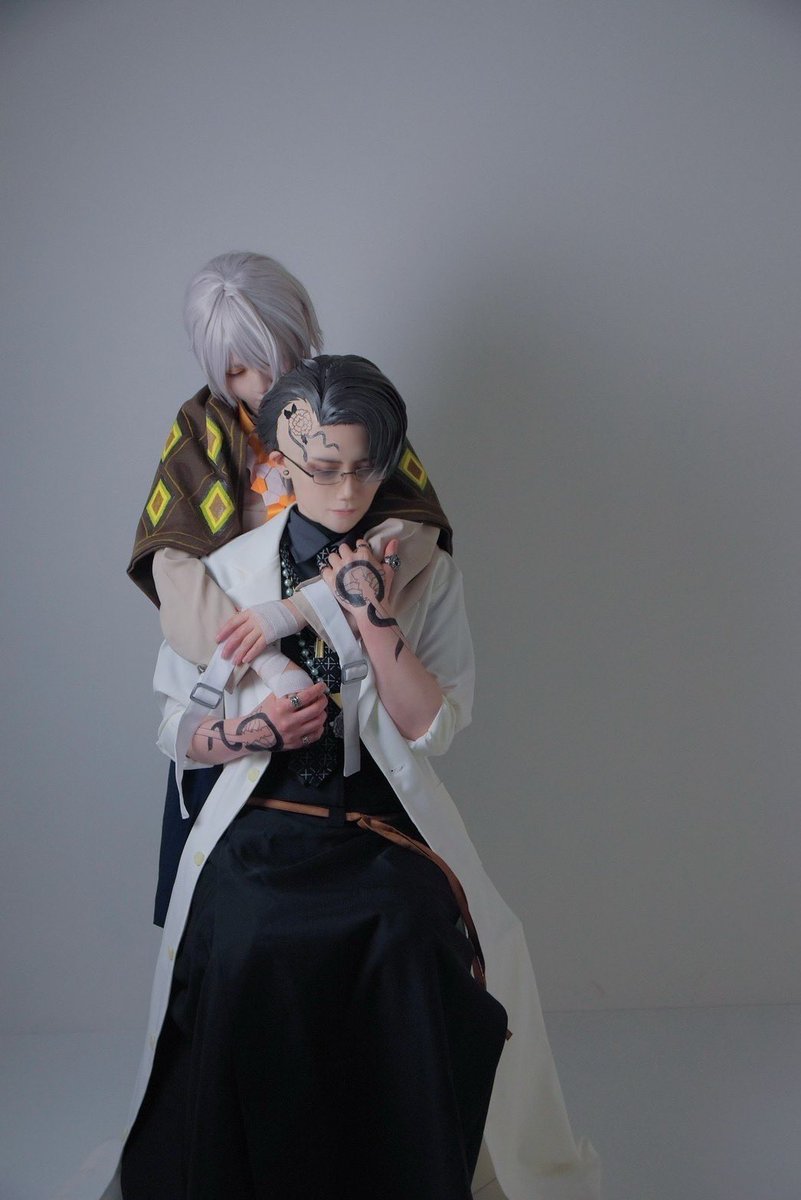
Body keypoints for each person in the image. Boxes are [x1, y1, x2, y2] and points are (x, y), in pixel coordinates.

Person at [104, 356, 600, 1200]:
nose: (345, 491)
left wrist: (371, 617)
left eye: (365, 469)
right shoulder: (230, 576)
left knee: (409, 932)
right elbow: (174, 728)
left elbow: (432, 727)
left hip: (381, 821)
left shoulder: (422, 569)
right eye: (323, 468)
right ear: (279, 464)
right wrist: (246, 733)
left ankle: (403, 1172)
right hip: (259, 822)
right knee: (250, 938)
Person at [126, 252, 452, 923]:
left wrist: (300, 610)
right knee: (225, 902)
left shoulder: (345, 406)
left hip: (354, 672)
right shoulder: (200, 432)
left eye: (273, 357)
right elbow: (176, 573)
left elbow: (410, 536)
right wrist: (268, 665)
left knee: (387, 892)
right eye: (236, 370)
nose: (259, 382)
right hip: (242, 681)